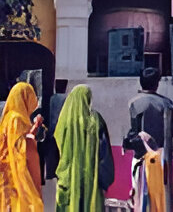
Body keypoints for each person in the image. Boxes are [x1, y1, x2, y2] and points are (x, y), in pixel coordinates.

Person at [53, 84, 115, 212]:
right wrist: (105, 181)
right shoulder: (96, 121)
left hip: (68, 182)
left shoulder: (63, 122)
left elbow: (56, 150)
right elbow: (104, 154)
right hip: (91, 181)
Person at [125, 67, 173, 212]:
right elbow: (171, 133)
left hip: (141, 156)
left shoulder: (134, 103)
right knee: (161, 195)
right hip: (162, 156)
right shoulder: (167, 103)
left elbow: (134, 132)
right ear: (157, 83)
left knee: (140, 193)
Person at [0, 82, 44, 212]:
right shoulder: (16, 119)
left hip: (8, 175)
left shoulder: (9, 118)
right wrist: (32, 136)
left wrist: (33, 129)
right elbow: (21, 149)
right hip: (16, 175)